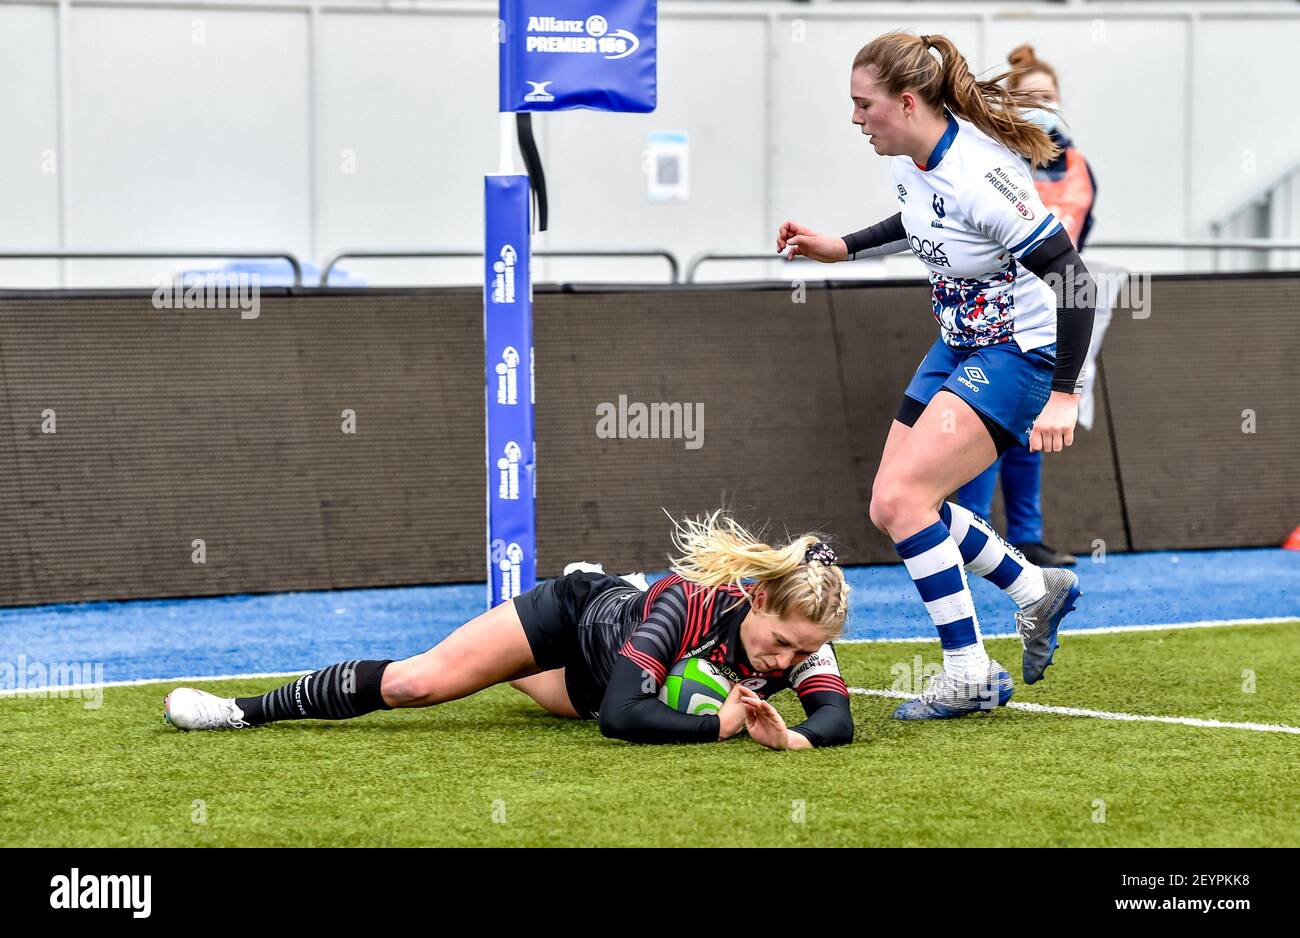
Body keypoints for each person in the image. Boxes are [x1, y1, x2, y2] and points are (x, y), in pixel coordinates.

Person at [775, 31, 1096, 719]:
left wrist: (1066, 395)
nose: (856, 118)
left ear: (909, 101)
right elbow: (921, 218)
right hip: (959, 343)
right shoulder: (909, 156)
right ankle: (1034, 588)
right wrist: (844, 247)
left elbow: (1074, 281)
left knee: (902, 501)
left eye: (864, 105)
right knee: (893, 503)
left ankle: (969, 670)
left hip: (1019, 352)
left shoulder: (983, 175)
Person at [164, 512, 854, 749]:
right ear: (757, 597)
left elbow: (838, 719)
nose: (787, 659)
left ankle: (497, 651)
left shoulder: (801, 637)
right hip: (578, 616)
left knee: (515, 681)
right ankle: (239, 713)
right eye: (783, 641)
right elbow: (622, 717)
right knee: (418, 683)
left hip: (585, 689)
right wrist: (722, 728)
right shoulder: (684, 604)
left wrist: (789, 737)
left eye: (802, 650)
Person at [956, 43, 1103, 568]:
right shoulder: (997, 159)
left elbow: (1079, 244)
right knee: (987, 424)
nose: (1043, 105)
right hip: (999, 306)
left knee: (1033, 425)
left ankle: (1027, 535)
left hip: (1052, 309)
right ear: (1011, 104)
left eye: (1050, 96)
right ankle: (971, 533)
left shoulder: (1081, 165)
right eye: (1032, 97)